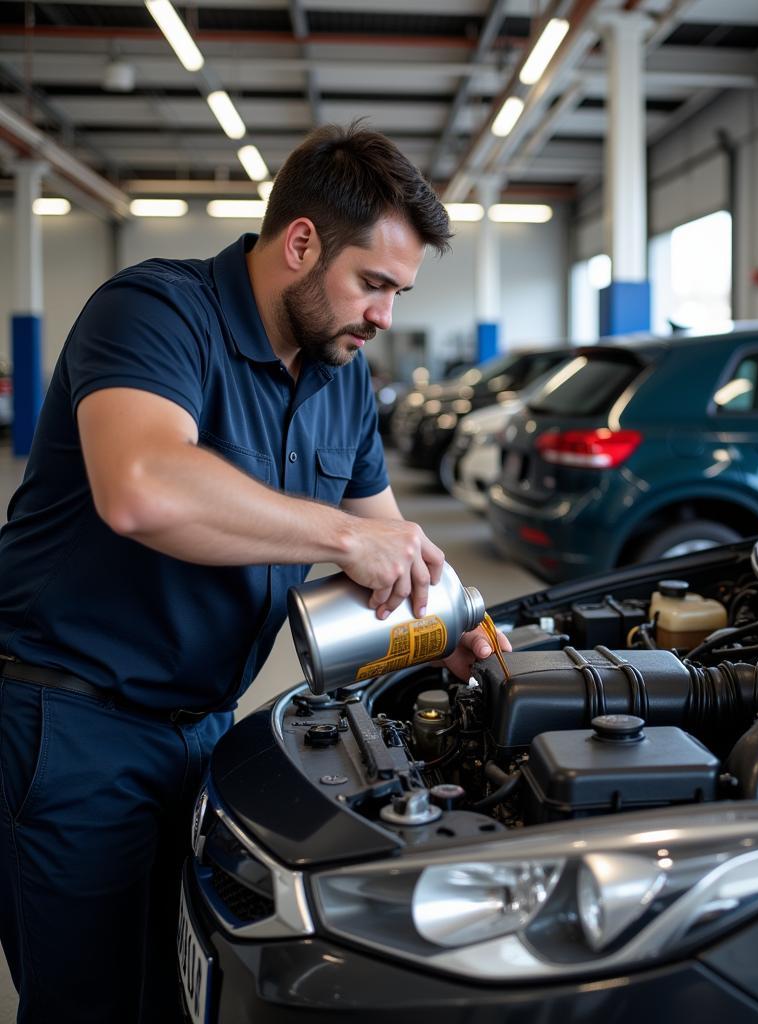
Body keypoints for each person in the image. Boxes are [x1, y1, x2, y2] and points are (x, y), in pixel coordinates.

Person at [0, 122, 510, 1023]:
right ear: (301, 243)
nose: (385, 315)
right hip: (69, 726)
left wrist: (452, 622)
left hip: (208, 733)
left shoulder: (339, 373)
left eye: (399, 291)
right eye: (374, 284)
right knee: (90, 1005)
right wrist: (343, 542)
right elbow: (142, 488)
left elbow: (386, 536)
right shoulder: (155, 312)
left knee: (183, 988)